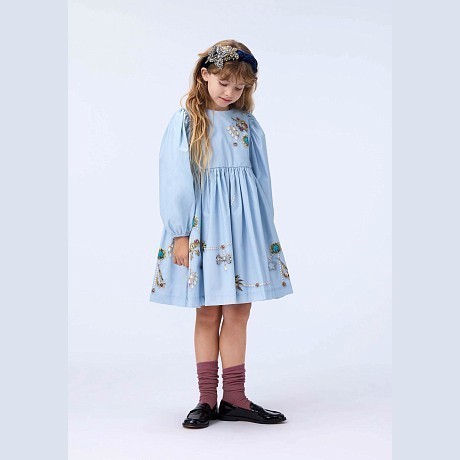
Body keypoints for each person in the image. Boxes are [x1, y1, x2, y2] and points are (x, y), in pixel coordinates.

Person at [149, 40, 293, 428]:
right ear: (205, 75)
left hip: (245, 228)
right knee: (208, 311)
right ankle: (205, 399)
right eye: (224, 83)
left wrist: (264, 230)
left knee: (239, 311)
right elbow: (175, 178)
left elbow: (262, 180)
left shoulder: (247, 124)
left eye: (240, 87)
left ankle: (235, 397)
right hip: (204, 227)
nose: (230, 92)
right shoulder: (186, 121)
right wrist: (180, 233)